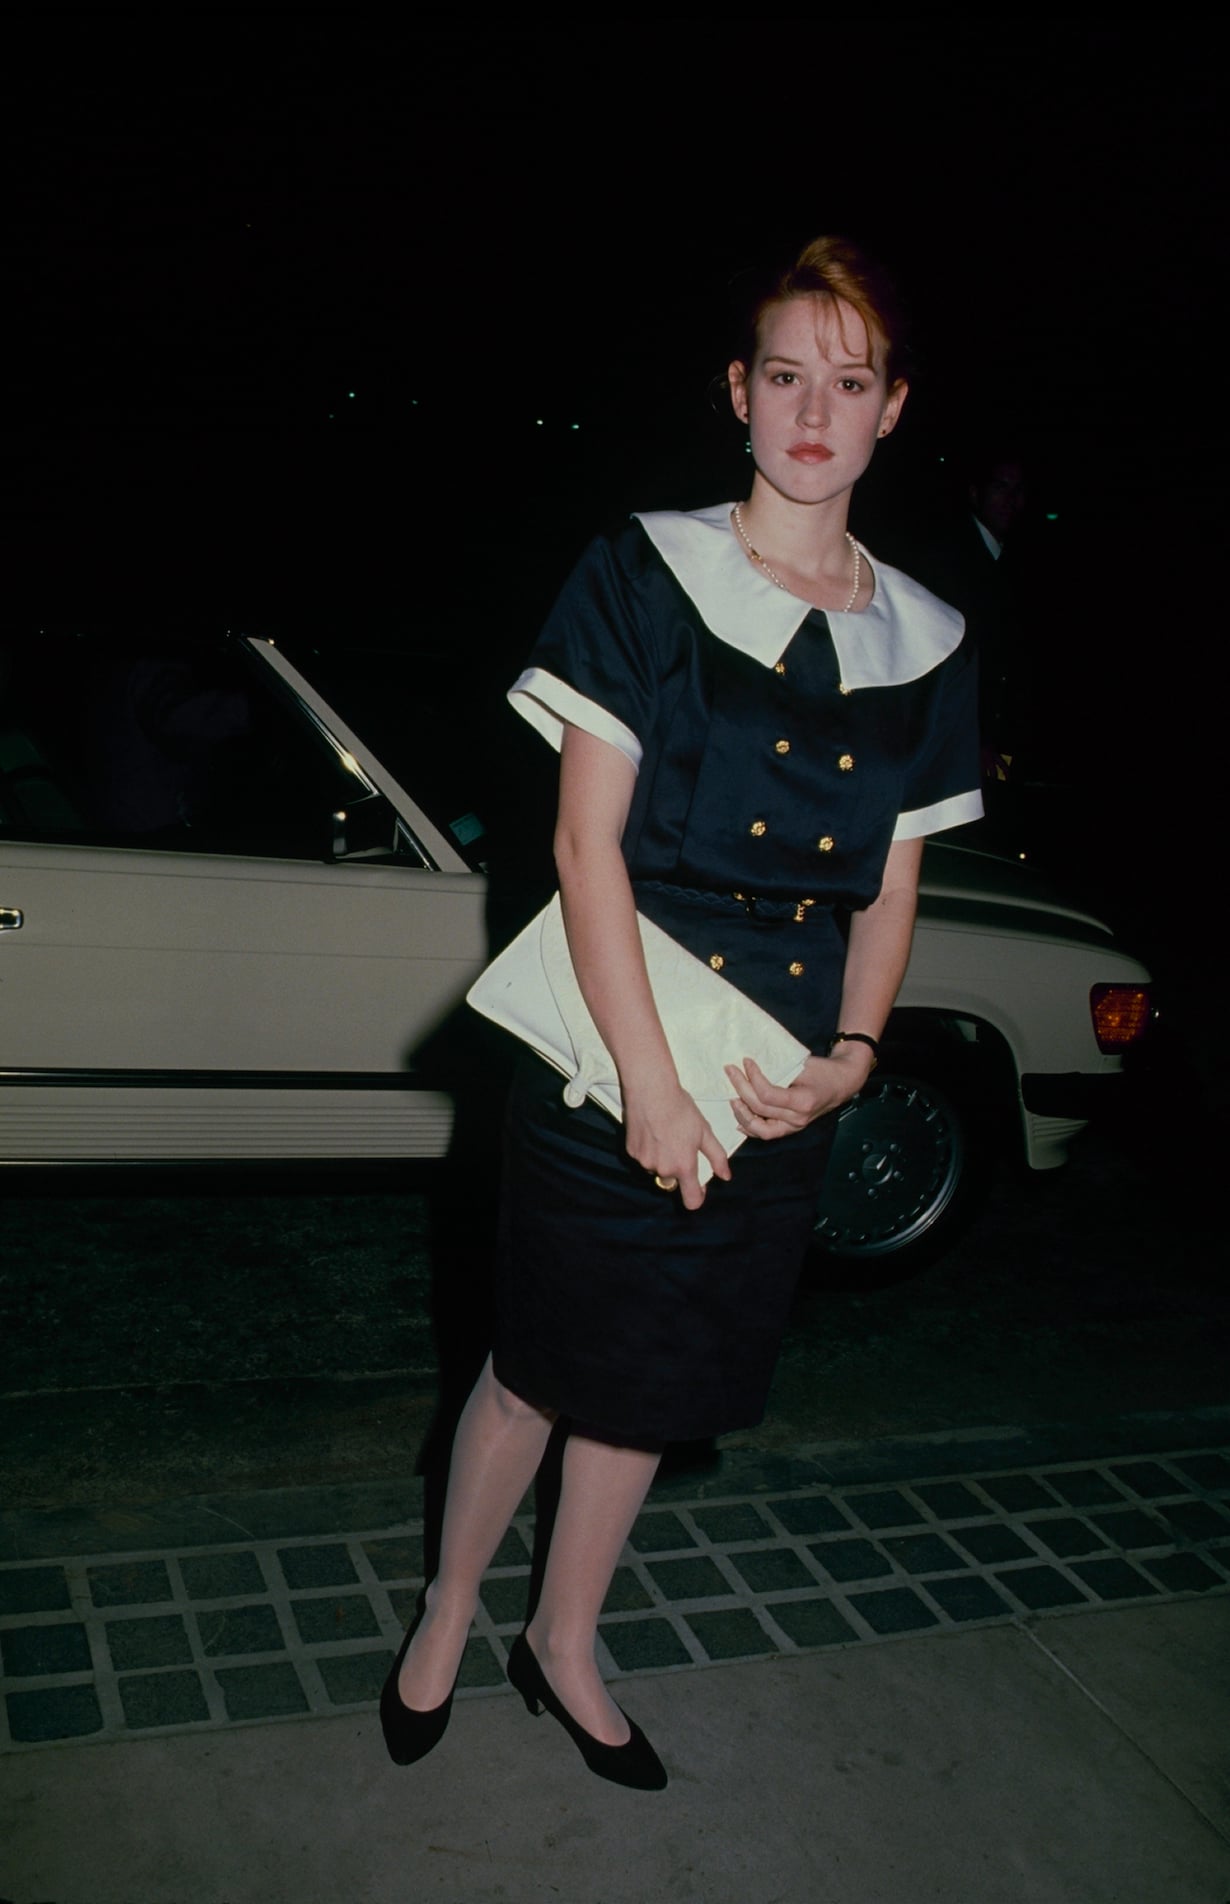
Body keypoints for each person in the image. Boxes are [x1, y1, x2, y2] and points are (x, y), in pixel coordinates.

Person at [380, 236, 982, 1790]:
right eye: (784, 375)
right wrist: (648, 1086)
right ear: (736, 392)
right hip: (618, 1027)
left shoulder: (926, 640)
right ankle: (449, 1604)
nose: (813, 412)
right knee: (539, 1359)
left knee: (649, 1380)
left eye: (848, 381)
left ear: (892, 407)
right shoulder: (643, 574)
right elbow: (583, 847)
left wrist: (850, 1062)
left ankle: (564, 1637)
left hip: (775, 1065)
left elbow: (890, 886)